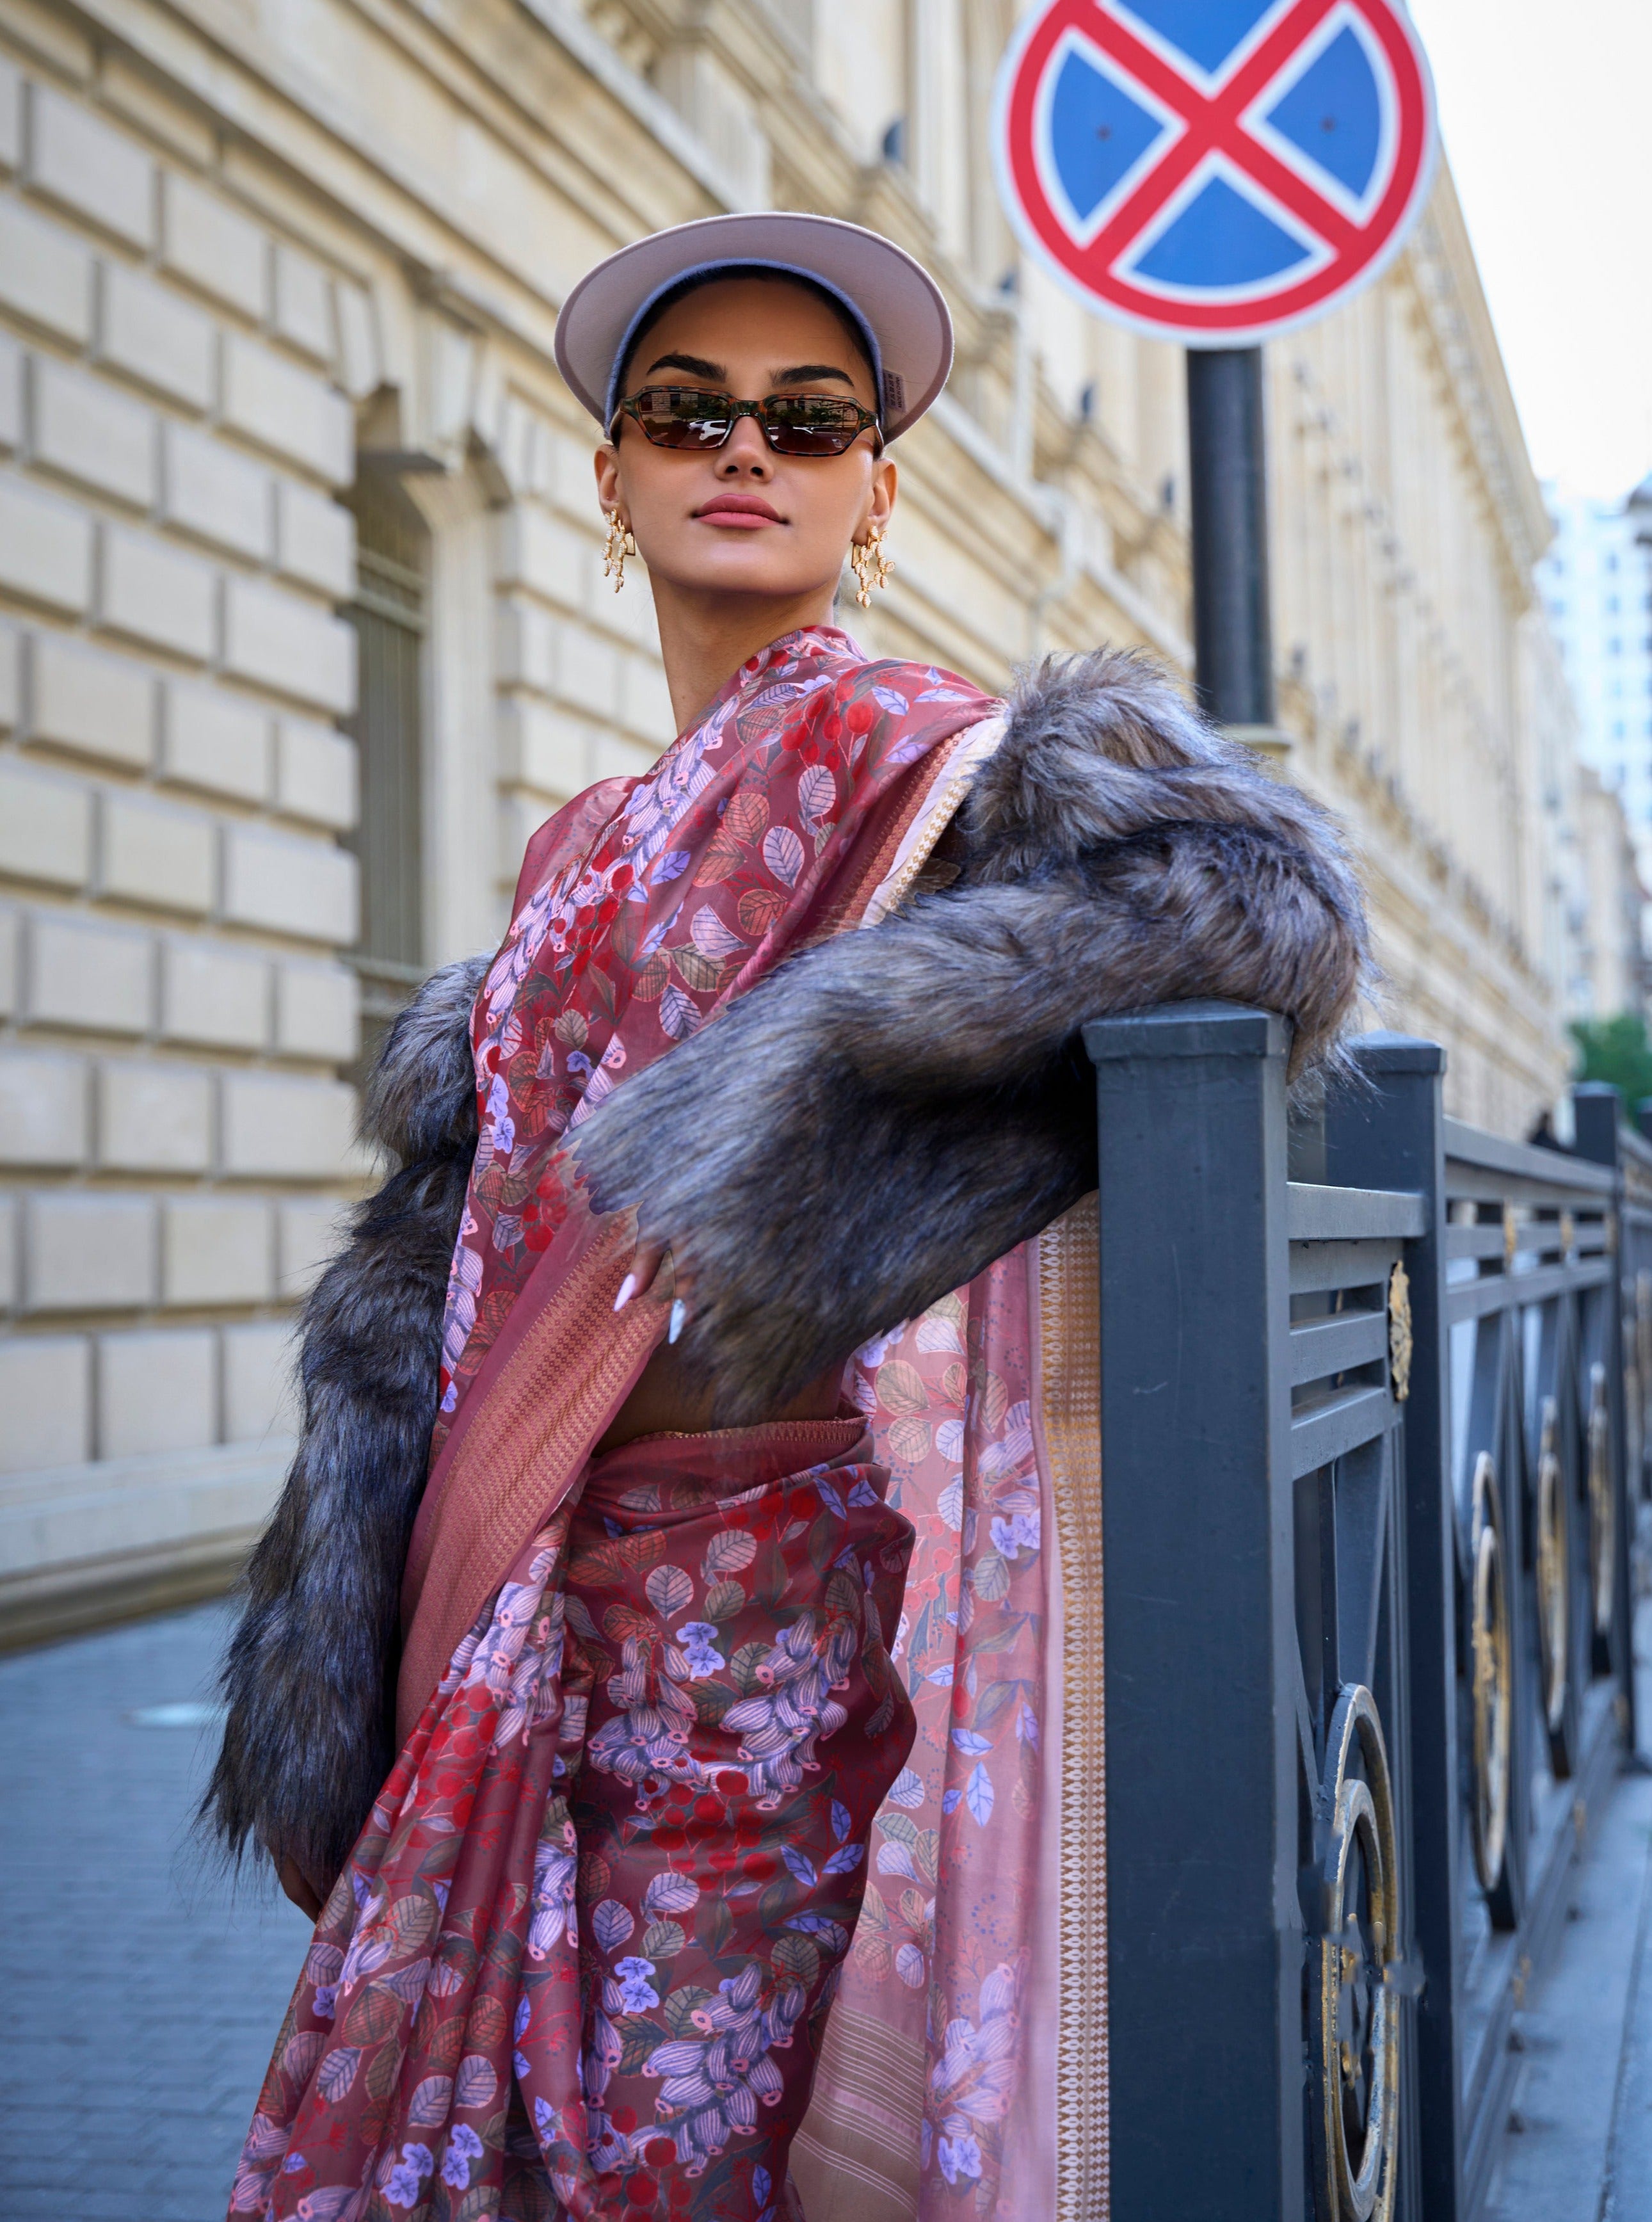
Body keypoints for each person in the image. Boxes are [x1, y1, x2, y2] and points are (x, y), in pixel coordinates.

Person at [207, 212, 1368, 2222]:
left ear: (875, 490)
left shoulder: (929, 765)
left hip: (759, 1630)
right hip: (503, 1613)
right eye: (688, 411)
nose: (745, 448)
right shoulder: (575, 855)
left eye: (808, 420)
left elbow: (1262, 911)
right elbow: (453, 1262)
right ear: (613, 473)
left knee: (675, 2146)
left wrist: (819, 1130)